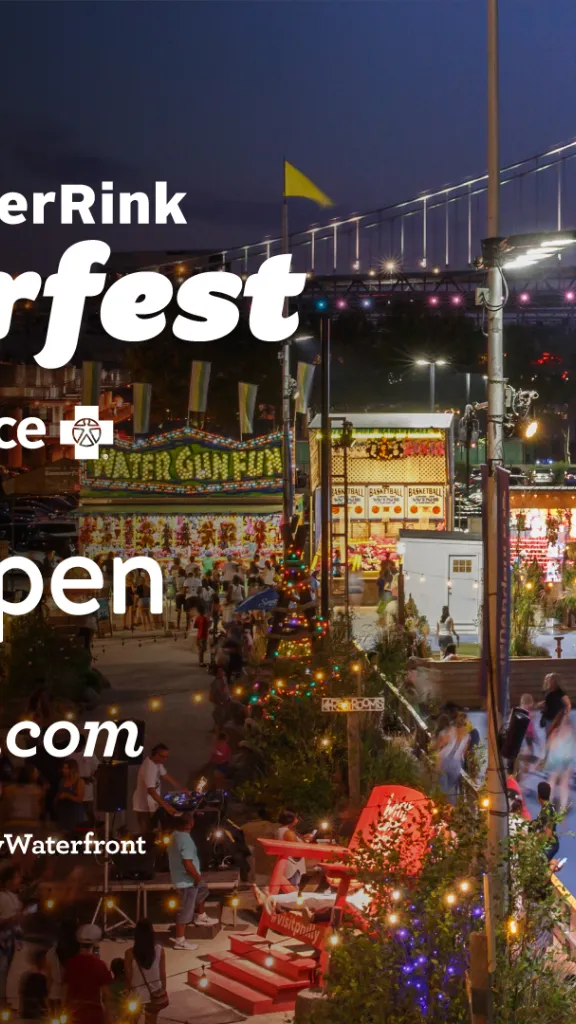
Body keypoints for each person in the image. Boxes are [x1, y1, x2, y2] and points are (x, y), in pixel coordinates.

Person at [168, 812, 218, 950]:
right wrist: (196, 877)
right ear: (190, 824)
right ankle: (180, 941)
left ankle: (200, 916)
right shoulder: (186, 840)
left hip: (185, 878)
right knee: (184, 911)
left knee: (203, 889)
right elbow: (187, 863)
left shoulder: (174, 835)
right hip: (187, 881)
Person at [62, 924, 113, 1024]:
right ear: (94, 944)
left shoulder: (70, 963)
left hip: (74, 1016)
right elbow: (107, 995)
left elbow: (65, 992)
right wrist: (109, 1018)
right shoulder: (100, 965)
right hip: (95, 1016)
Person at [133, 744, 187, 834]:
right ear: (156, 755)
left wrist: (181, 788)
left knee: (158, 830)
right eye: (163, 757)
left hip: (153, 804)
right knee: (147, 834)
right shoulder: (149, 768)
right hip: (144, 806)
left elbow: (166, 776)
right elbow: (151, 791)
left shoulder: (157, 763)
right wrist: (167, 806)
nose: (165, 759)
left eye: (166, 757)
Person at [125, 919, 168, 1024]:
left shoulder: (130, 953)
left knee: (132, 1021)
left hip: (136, 995)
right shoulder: (160, 950)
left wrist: (126, 992)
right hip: (155, 993)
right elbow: (163, 974)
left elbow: (128, 977)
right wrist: (163, 990)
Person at [45, 918, 79, 1013]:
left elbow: (49, 978)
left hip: (55, 996)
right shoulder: (79, 954)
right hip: (74, 996)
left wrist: (47, 995)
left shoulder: (51, 953)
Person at [0, 866, 23, 1005]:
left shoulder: (15, 897)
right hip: (3, 942)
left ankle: (6, 999)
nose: (19, 880)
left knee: (9, 972)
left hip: (14, 942)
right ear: (8, 881)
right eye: (16, 877)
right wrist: (12, 919)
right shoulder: (1, 897)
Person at [544, 717, 576, 811]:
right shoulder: (570, 734)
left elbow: (549, 747)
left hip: (558, 760)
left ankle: (549, 804)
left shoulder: (556, 733)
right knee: (562, 783)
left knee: (554, 781)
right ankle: (561, 807)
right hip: (564, 760)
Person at [1, 765, 44, 829]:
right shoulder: (37, 790)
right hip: (31, 824)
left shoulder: (8, 790)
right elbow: (41, 809)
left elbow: (3, 810)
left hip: (11, 823)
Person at [275, 810, 308, 888]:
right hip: (292, 866)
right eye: (296, 818)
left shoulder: (280, 830)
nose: (297, 820)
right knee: (291, 891)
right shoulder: (288, 833)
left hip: (287, 864)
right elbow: (295, 851)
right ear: (290, 820)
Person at [530, 781, 560, 861]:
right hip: (550, 844)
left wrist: (532, 839)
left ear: (538, 795)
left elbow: (547, 835)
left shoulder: (548, 811)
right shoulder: (547, 808)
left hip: (550, 845)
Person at [53, 759, 86, 833]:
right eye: (63, 768)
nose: (64, 770)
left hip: (74, 811)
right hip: (63, 810)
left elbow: (79, 799)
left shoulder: (79, 781)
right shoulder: (62, 780)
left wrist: (67, 795)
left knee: (74, 833)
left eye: (66, 768)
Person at [75, 736, 100, 825]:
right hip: (73, 786)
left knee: (89, 810)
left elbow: (99, 768)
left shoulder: (89, 753)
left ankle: (93, 831)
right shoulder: (69, 754)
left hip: (86, 786)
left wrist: (92, 778)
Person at [539, 672, 571, 737]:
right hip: (548, 717)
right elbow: (548, 703)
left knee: (553, 736)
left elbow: (568, 704)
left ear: (554, 680)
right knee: (548, 736)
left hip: (556, 718)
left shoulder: (559, 692)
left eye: (550, 679)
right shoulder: (547, 691)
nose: (548, 680)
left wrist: (567, 716)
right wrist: (543, 705)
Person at [19, 949, 48, 1020]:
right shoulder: (39, 976)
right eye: (44, 960)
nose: (46, 962)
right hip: (34, 1012)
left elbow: (22, 992)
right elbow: (42, 995)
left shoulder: (27, 975)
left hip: (28, 1011)